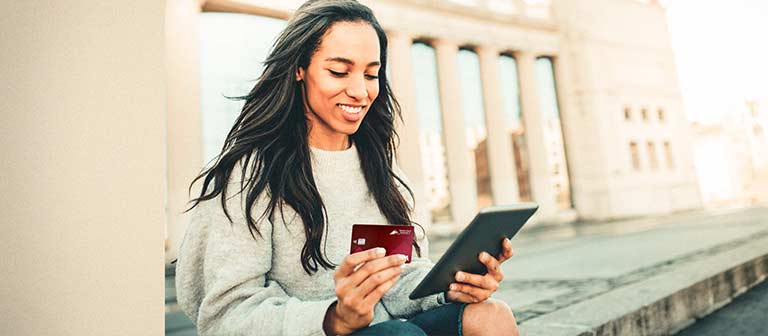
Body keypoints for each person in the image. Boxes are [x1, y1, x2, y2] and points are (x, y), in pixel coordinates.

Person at [175, 0, 520, 335]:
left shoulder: (384, 172)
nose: (360, 91)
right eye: (339, 71)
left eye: (371, 74)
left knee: (490, 317)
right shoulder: (249, 177)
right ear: (299, 69)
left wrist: (452, 287)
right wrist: (333, 318)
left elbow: (399, 280)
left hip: (387, 327)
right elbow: (224, 316)